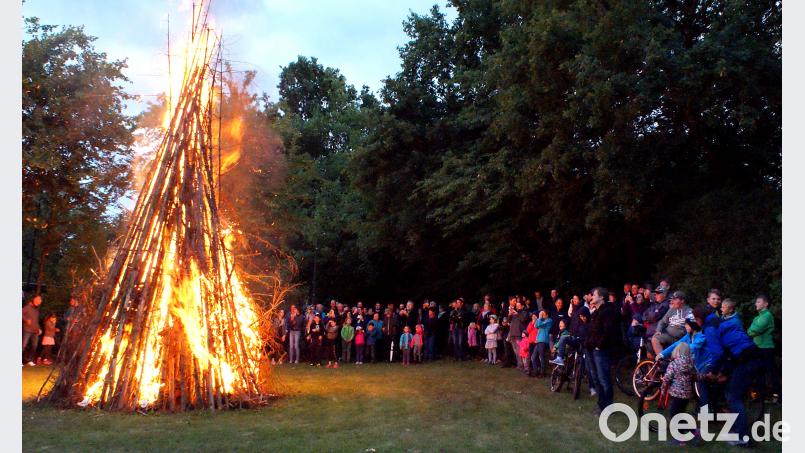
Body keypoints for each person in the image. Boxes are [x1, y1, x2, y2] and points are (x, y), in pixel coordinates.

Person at [711, 298, 765, 446]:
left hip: (749, 360)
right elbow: (730, 355)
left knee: (733, 397)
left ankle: (743, 438)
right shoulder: (728, 324)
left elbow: (722, 353)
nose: (721, 309)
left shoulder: (726, 326)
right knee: (730, 392)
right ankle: (737, 430)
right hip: (746, 359)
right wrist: (724, 372)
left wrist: (716, 371)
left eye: (723, 307)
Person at [585, 287, 620, 413]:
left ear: (601, 297)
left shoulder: (608, 312)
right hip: (591, 349)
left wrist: (599, 345)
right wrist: (588, 344)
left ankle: (608, 407)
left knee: (603, 379)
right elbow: (592, 331)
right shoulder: (596, 312)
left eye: (594, 295)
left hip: (601, 351)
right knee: (596, 379)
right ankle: (601, 405)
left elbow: (608, 332)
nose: (592, 297)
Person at [661, 342, 696, 445]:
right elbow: (696, 376)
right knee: (681, 415)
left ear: (677, 351)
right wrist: (706, 376)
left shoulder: (674, 363)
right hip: (687, 395)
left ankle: (683, 437)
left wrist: (663, 390)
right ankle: (691, 434)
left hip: (677, 394)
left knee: (675, 416)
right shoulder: (691, 363)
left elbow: (667, 378)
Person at [747, 294, 780, 401]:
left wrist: (752, 331)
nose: (756, 304)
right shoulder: (757, 317)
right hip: (757, 348)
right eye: (756, 302)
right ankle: (761, 395)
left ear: (766, 304)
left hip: (766, 348)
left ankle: (777, 396)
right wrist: (752, 330)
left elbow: (756, 329)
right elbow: (750, 331)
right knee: (758, 371)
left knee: (771, 372)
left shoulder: (767, 315)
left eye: (758, 302)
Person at [651, 291, 693, 355]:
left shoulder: (689, 311)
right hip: (668, 335)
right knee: (655, 339)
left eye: (675, 299)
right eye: (672, 299)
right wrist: (658, 330)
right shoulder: (672, 310)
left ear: (682, 301)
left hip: (681, 339)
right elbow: (662, 321)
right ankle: (661, 361)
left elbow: (692, 328)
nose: (672, 301)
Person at [22, 295, 42, 366]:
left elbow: (36, 321)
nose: (39, 301)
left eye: (40, 300)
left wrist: (39, 328)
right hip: (27, 329)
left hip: (35, 331)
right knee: (23, 345)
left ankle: (29, 360)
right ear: (33, 299)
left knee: (34, 346)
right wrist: (26, 320)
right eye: (38, 299)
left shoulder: (36, 310)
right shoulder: (27, 307)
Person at [531, 310, 553, 377]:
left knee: (541, 357)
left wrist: (540, 317)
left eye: (543, 314)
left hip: (543, 340)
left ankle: (542, 373)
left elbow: (540, 325)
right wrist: (540, 318)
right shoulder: (542, 320)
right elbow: (535, 326)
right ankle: (535, 371)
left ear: (547, 315)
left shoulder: (549, 320)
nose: (542, 315)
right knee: (533, 357)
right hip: (538, 340)